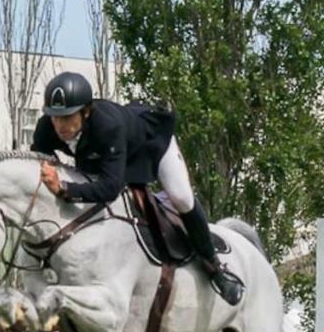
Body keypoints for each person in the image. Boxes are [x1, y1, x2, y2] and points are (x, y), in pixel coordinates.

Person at [29, 70, 244, 305]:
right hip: (110, 157)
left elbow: (110, 187)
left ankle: (215, 268)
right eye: (55, 117)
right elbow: (38, 161)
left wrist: (63, 188)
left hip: (150, 144)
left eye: (68, 117)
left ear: (86, 111)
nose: (60, 125)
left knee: (182, 198)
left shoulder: (108, 126)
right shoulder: (47, 128)